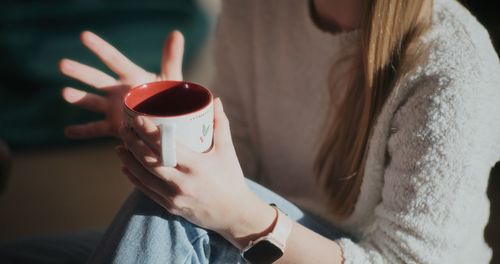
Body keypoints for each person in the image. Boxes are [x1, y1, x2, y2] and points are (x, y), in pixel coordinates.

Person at [2, 0, 499, 263]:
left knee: (172, 205)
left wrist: (242, 219)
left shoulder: (455, 65)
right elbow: (246, 164)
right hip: (251, 244)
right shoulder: (257, 8)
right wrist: (169, 117)